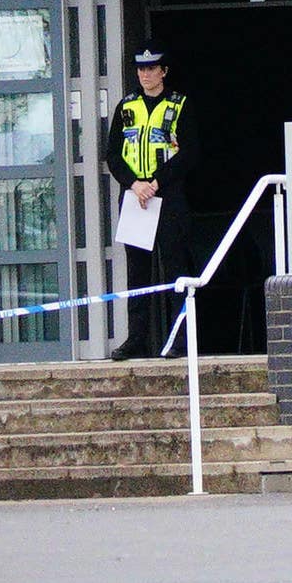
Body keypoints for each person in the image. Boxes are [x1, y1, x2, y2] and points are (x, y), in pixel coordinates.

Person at [107, 45, 192, 360]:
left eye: (152, 68)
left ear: (163, 72)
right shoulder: (126, 106)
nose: (145, 74)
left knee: (175, 269)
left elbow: (190, 152)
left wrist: (157, 182)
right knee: (137, 272)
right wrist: (134, 184)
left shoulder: (180, 105)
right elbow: (112, 154)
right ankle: (137, 339)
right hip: (135, 199)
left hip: (167, 198)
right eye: (141, 69)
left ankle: (179, 339)